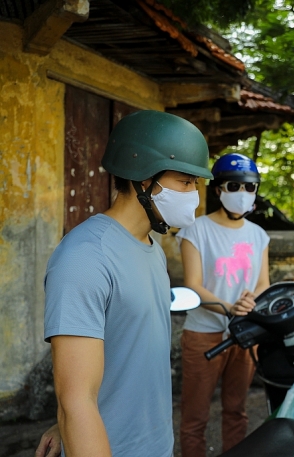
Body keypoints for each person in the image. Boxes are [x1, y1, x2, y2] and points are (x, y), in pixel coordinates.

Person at [40, 110, 213, 457]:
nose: (194, 195)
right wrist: (72, 420)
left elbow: (124, 352)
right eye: (185, 181)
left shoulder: (152, 248)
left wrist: (66, 425)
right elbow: (76, 399)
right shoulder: (85, 258)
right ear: (143, 179)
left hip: (156, 444)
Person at [177, 153, 270, 456]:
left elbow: (262, 282)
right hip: (204, 334)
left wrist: (250, 301)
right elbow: (193, 284)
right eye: (234, 186)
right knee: (195, 417)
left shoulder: (259, 235)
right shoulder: (196, 230)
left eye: (250, 187)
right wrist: (230, 307)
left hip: (244, 335)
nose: (242, 194)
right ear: (217, 189)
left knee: (236, 411)